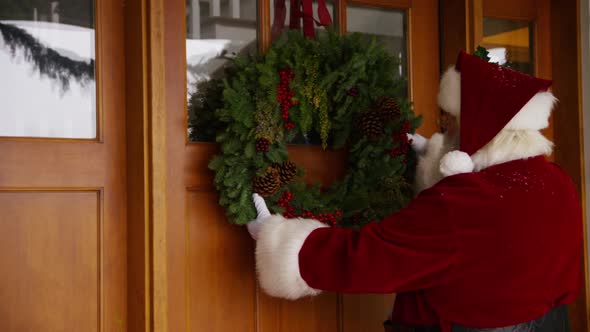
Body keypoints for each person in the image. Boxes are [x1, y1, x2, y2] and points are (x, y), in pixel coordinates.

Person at [246, 51, 583, 332]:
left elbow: (373, 256)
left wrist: (280, 240)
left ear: (482, 124)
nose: (443, 126)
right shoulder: (557, 182)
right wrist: (433, 158)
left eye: (450, 117)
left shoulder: (465, 201)